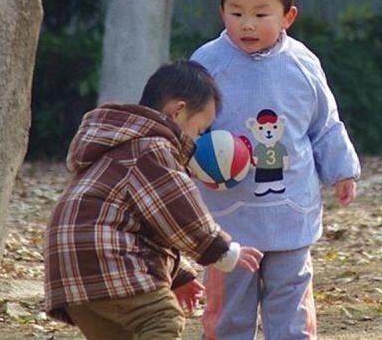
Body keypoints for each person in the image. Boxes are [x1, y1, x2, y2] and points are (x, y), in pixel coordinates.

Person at [191, 0, 361, 339]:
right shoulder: (207, 64)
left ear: (288, 16)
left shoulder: (302, 64)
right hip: (228, 219)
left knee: (291, 311)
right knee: (229, 314)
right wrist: (196, 160)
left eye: (260, 14)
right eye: (236, 13)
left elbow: (325, 123)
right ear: (222, 12)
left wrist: (342, 170)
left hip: (291, 212)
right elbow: (185, 127)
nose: (247, 24)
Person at [43, 60, 264, 340]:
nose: (197, 140)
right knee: (162, 319)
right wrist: (221, 250)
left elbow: (147, 227)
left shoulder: (117, 145)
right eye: (198, 130)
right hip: (105, 256)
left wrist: (179, 275)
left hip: (69, 266)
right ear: (178, 111)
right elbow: (179, 211)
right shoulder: (153, 148)